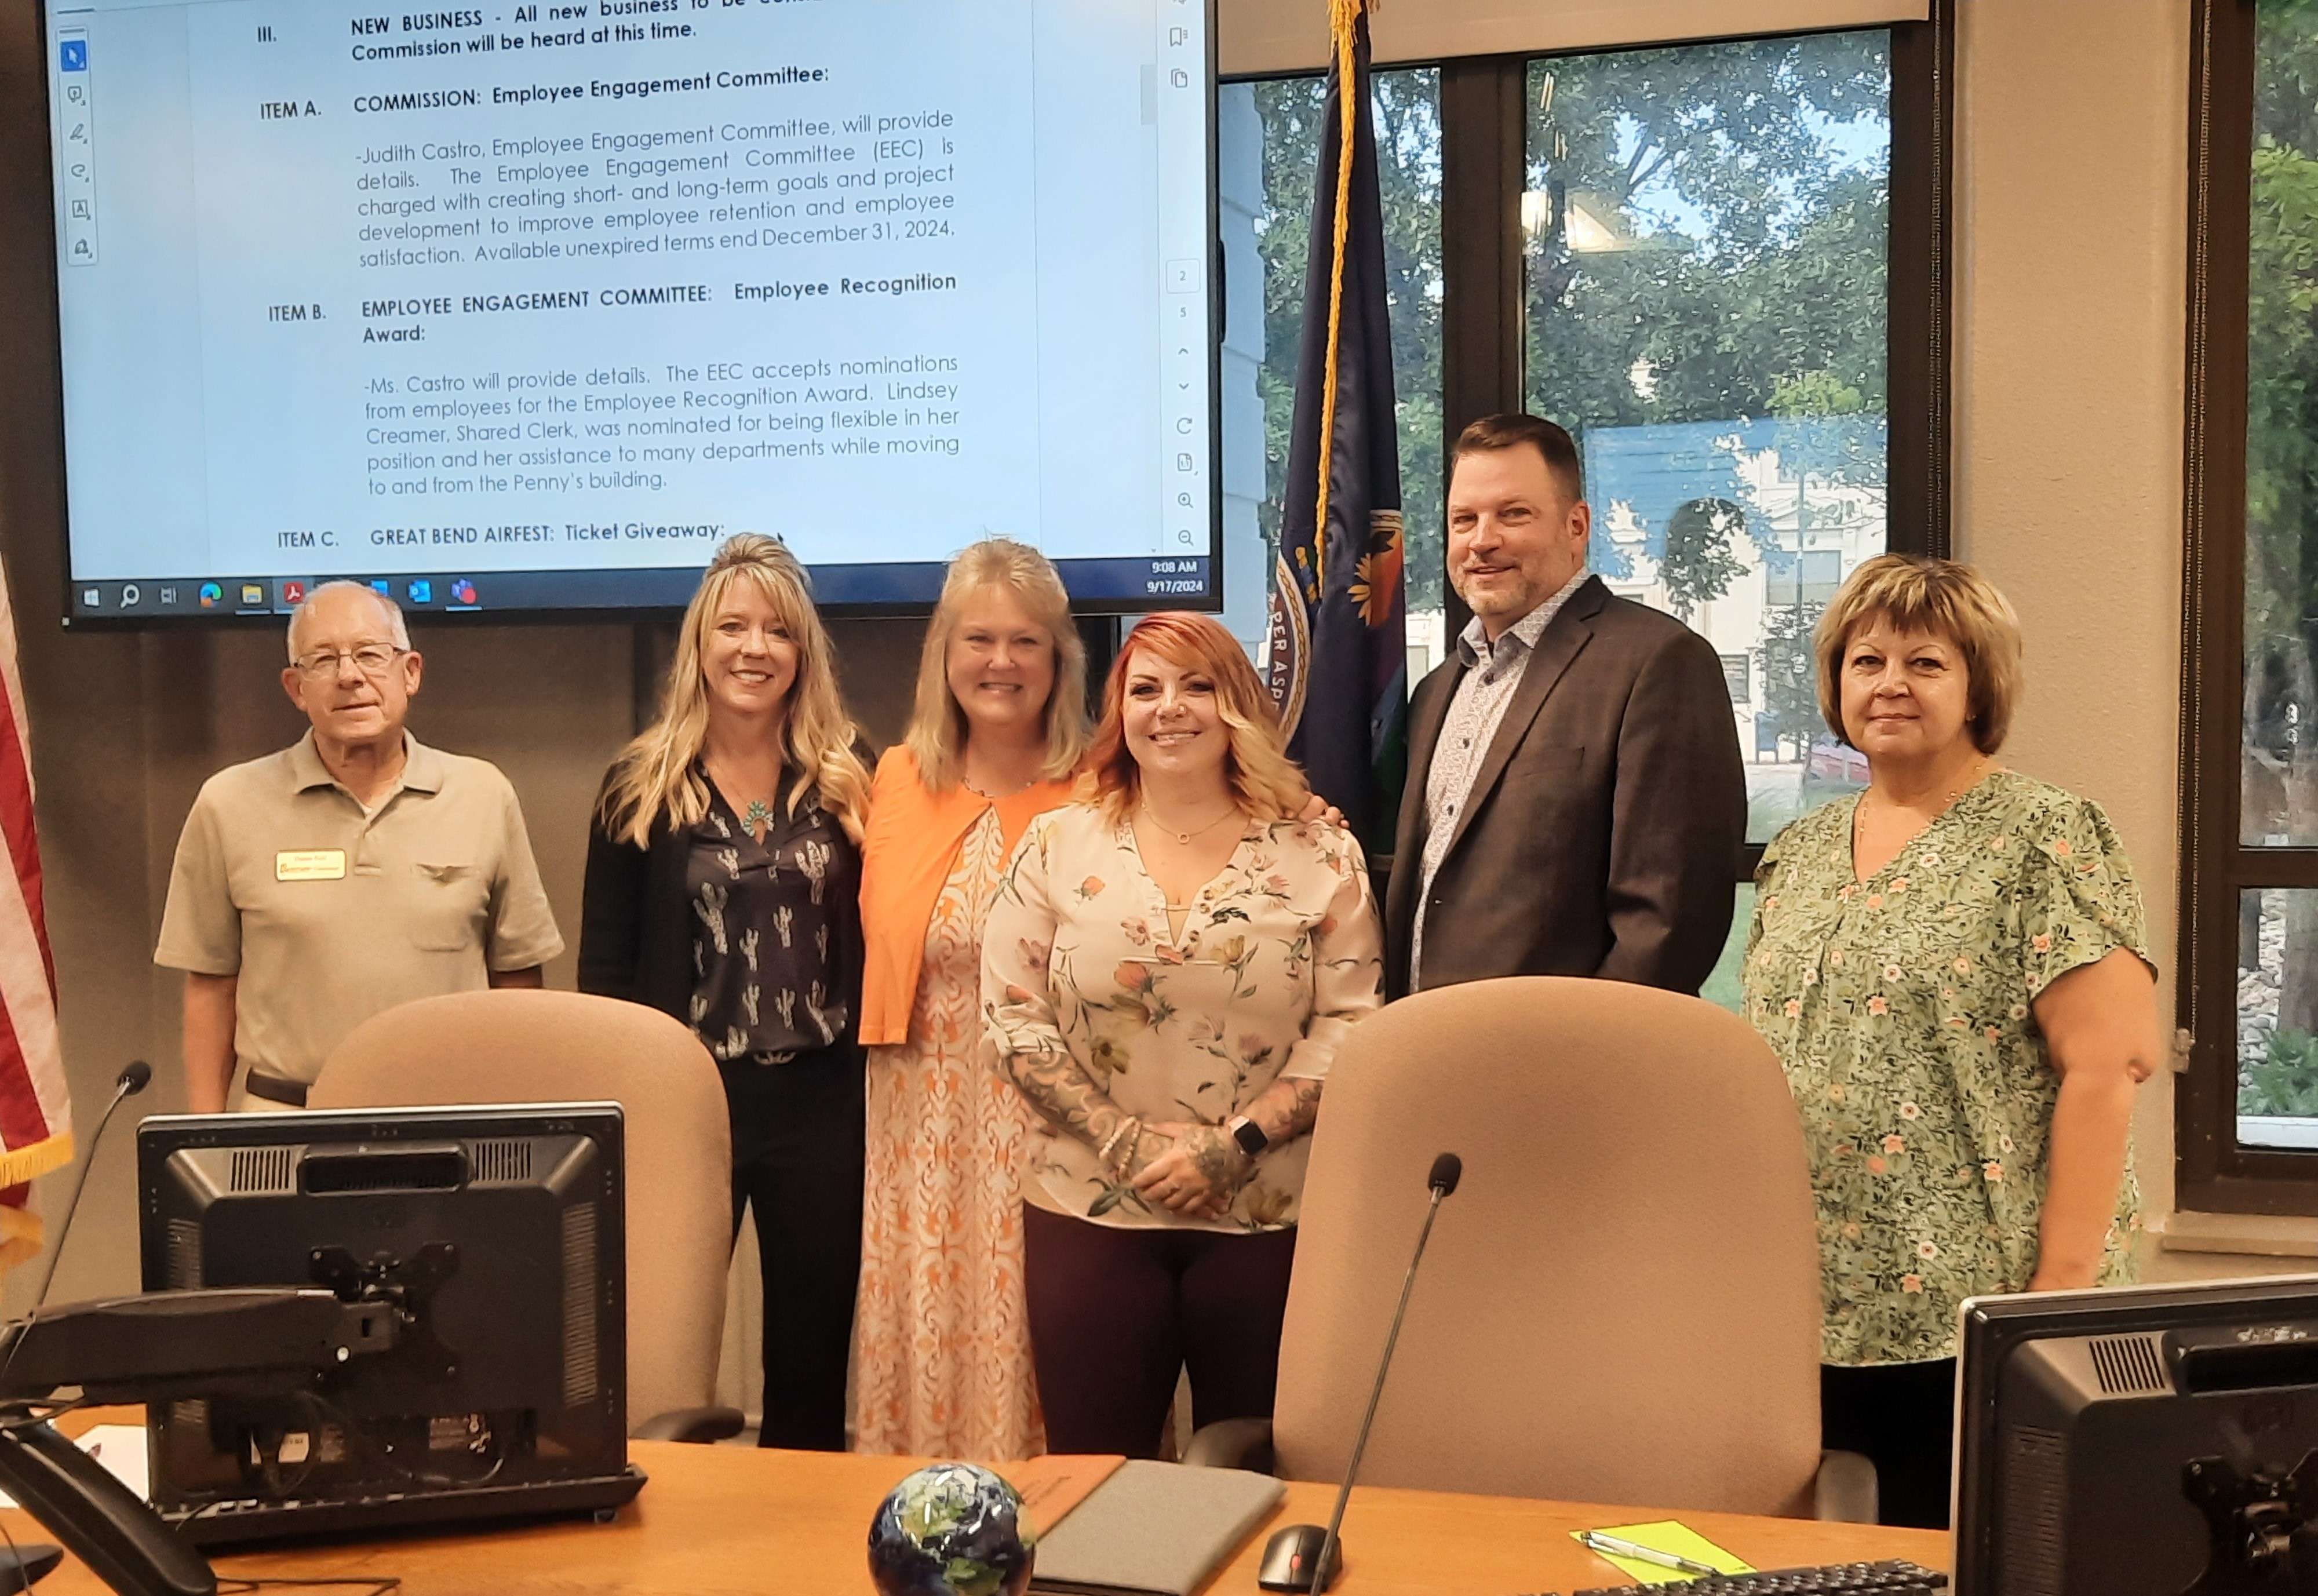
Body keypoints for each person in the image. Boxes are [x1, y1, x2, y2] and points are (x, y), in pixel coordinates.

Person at [1743, 553, 2156, 1529]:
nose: (1889, 682)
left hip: (1980, 1305)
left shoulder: (2045, 834)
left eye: (1925, 662)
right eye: (1866, 659)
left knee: (1973, 1556)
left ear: (1979, 687)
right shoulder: (1796, 852)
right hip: (1811, 1302)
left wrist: (2053, 1304)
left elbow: (2108, 1067)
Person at [982, 611, 1384, 1458]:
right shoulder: (1057, 842)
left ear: (1237, 703)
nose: (1171, 708)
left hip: (1268, 1218)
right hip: (1088, 1212)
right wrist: (1126, 1146)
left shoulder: (1320, 849)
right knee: (1096, 1486)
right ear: (1117, 712)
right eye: (1146, 688)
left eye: (1198, 685)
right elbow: (1014, 1015)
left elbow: (1352, 1024)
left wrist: (1232, 1146)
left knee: (1254, 1479)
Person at [578, 534, 872, 1452]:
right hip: (690, 1103)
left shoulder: (851, 771)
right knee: (664, 1348)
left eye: (778, 631)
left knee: (812, 1356)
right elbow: (607, 970)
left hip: (822, 1101)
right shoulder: (641, 783)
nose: (755, 648)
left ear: (803, 653)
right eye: (734, 627)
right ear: (699, 644)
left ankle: (801, 1554)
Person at [852, 539, 1089, 1461]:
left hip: (1052, 1122)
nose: (1002, 663)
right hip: (920, 1125)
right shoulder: (897, 778)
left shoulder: (1104, 785)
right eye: (979, 639)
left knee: (1044, 1329)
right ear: (944, 654)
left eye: (1026, 642)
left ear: (1058, 659)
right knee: (927, 1321)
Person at [156, 582, 561, 1112]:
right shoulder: (228, 804)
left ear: (410, 672)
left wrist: (515, 1121)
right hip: (285, 1126)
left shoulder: (483, 795)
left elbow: (518, 978)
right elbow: (211, 988)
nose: (350, 677)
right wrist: (203, 1140)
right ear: (296, 688)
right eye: (323, 661)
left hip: (450, 1122)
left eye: (371, 655)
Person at [1385, 413, 1745, 999]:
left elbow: (1671, 921)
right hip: (1430, 1054)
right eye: (1463, 520)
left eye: (1513, 514)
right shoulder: (1437, 692)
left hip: (1564, 1067)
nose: (1482, 540)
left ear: (1577, 526)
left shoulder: (1657, 663)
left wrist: (1579, 1062)